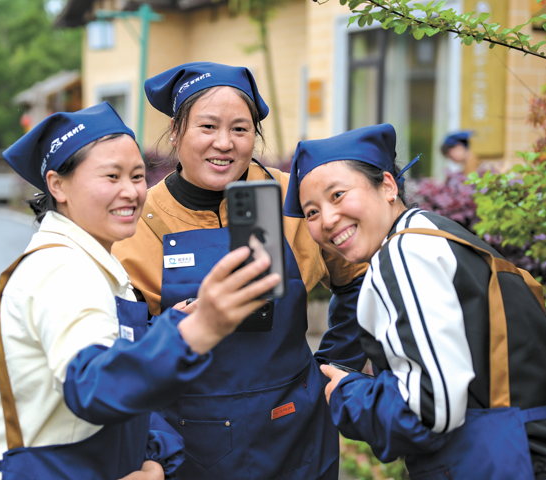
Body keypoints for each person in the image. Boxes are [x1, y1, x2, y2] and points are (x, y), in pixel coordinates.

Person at [0, 102, 280, 480]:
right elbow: (93, 385)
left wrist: (151, 460)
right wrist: (197, 329)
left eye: (138, 176)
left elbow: (111, 372)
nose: (131, 191)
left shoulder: (90, 263)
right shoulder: (64, 270)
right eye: (111, 176)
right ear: (57, 185)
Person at [285, 123, 546, 480]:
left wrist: (349, 393)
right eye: (312, 212)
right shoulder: (440, 236)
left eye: (338, 195)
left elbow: (429, 410)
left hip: (523, 464)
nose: (327, 219)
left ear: (387, 186)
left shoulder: (403, 254)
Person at [112, 62, 368, 479]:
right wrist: (153, 443)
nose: (224, 143)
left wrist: (335, 367)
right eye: (207, 126)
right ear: (175, 131)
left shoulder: (295, 197)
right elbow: (125, 349)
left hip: (296, 430)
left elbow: (360, 279)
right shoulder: (141, 220)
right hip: (188, 441)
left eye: (240, 129)